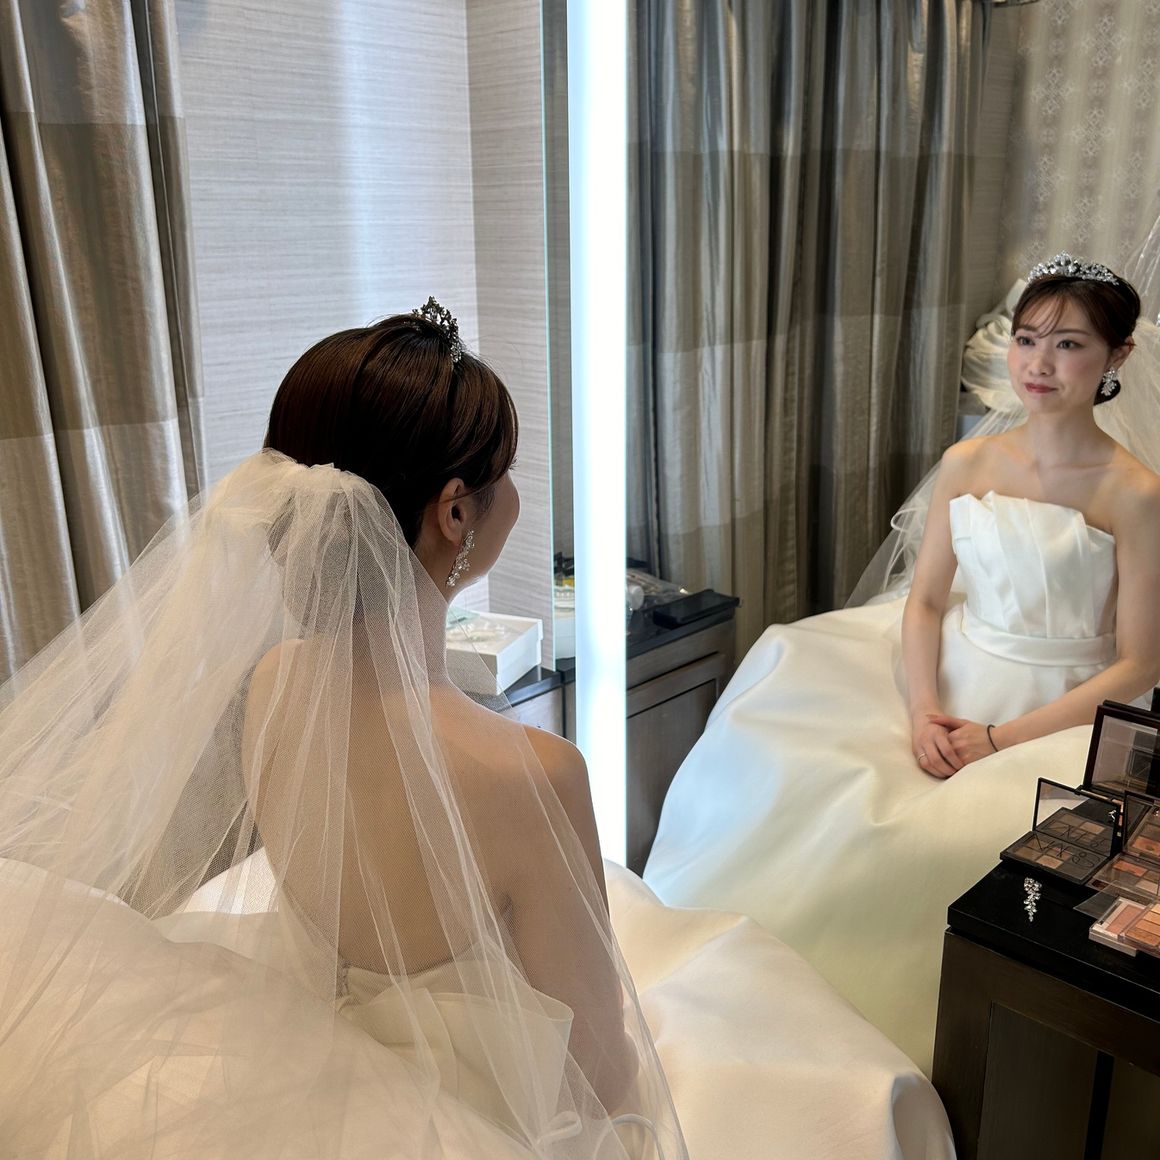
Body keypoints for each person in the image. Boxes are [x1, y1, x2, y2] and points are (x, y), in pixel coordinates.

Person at [0, 299, 685, 1158]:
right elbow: (601, 1070)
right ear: (455, 513)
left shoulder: (271, 684)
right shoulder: (534, 774)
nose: (514, 491)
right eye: (504, 471)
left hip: (315, 1057)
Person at [644, 256, 1160, 1072]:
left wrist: (997, 740)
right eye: (1028, 339)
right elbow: (922, 606)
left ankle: (914, 1048)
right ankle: (739, 1013)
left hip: (1062, 709)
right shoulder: (968, 464)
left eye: (1068, 345)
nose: (1039, 364)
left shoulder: (1133, 492)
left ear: (1117, 356)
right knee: (791, 763)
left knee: (962, 841)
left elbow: (1137, 665)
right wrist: (923, 712)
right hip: (947, 677)